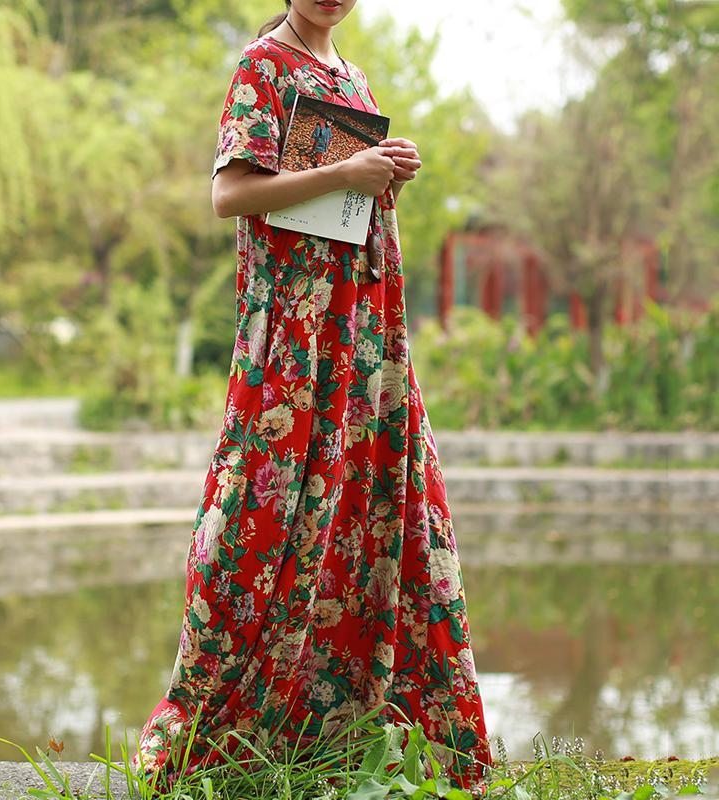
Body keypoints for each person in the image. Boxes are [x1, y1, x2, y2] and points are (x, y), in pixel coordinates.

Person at [131, 0, 493, 794]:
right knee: (261, 513)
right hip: (297, 332)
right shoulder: (263, 65)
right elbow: (233, 194)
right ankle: (225, 720)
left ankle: (342, 728)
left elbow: (337, 205)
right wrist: (348, 173)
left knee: (368, 507)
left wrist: (387, 172)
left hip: (362, 330)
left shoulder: (350, 78)